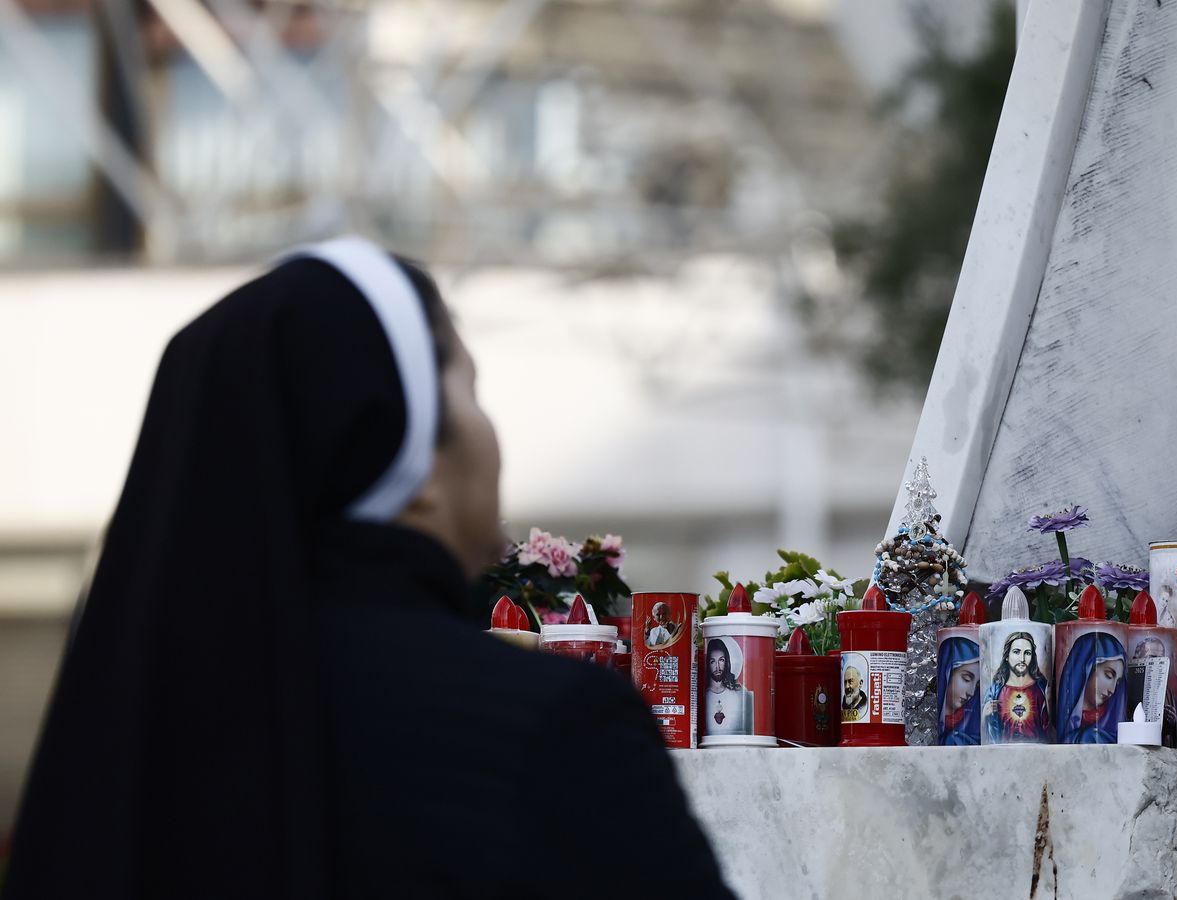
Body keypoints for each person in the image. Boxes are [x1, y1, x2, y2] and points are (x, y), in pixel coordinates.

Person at [1, 238, 732, 899]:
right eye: (471, 390)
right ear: (415, 462)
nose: (492, 434)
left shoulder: (123, 733)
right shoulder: (555, 730)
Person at [1055, 631, 1127, 744]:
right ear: (1087, 668)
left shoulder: (1110, 724)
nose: (1112, 690)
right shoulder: (1067, 719)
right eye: (1108, 675)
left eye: (1117, 682)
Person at [983, 631, 1050, 743]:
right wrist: (984, 715)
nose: (1022, 659)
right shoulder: (995, 691)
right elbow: (987, 736)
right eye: (1016, 652)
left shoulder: (1042, 688)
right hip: (1003, 755)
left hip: (1037, 754)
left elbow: (1050, 731)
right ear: (1007, 656)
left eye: (1027, 653)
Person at [935, 636, 981, 746]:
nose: (971, 692)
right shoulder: (929, 723)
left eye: (978, 684)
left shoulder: (973, 724)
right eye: (967, 679)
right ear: (947, 673)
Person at [702, 638, 751, 735]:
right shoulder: (703, 694)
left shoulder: (740, 693)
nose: (717, 667)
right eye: (712, 661)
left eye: (721, 660)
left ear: (727, 661)